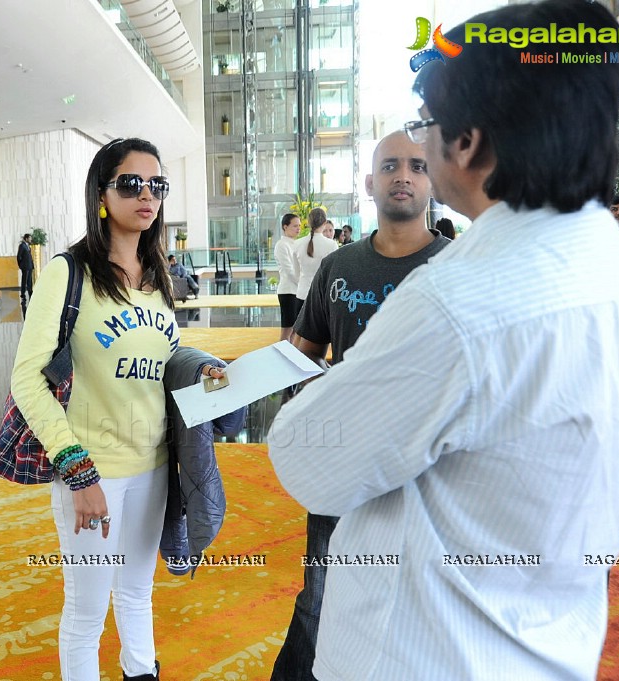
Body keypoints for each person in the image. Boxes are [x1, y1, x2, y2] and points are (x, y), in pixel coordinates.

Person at [269, 2, 619, 680]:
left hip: (424, 650)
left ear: (468, 140)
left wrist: (343, 378)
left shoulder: (459, 300)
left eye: (424, 125)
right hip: (548, 641)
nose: (414, 152)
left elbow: (307, 462)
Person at [10, 138, 193, 681]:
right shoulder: (69, 274)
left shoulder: (159, 277)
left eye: (156, 184)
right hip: (92, 472)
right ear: (101, 193)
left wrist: (201, 372)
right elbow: (26, 377)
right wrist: (76, 469)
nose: (147, 195)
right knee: (87, 612)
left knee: (137, 594)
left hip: (153, 466)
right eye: (131, 183)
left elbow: (165, 361)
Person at [270, 130, 449, 681]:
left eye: (417, 166)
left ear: (432, 181)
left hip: (428, 472)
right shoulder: (339, 266)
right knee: (319, 598)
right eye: (390, 166)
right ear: (370, 183)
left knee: (424, 606)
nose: (403, 175)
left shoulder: (455, 266)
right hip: (344, 464)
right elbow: (300, 356)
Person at [290, 208, 336, 307]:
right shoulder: (331, 245)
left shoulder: (297, 244)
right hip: (323, 296)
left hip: (302, 294)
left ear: (309, 222)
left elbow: (296, 274)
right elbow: (334, 274)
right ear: (324, 223)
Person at [274, 213, 301, 341]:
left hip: (297, 290)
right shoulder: (281, 245)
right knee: (287, 331)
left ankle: (292, 357)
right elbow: (289, 269)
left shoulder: (296, 243)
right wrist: (302, 283)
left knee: (296, 331)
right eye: (295, 226)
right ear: (285, 227)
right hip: (288, 291)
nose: (298, 229)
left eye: (299, 226)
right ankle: (280, 358)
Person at [17, 232, 34, 301]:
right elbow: (19, 256)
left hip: (29, 266)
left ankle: (30, 292)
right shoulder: (22, 246)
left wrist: (32, 265)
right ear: (26, 238)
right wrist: (21, 265)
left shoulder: (28, 246)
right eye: (30, 238)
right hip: (25, 266)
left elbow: (30, 257)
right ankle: (23, 293)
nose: (31, 239)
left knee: (29, 280)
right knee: (24, 280)